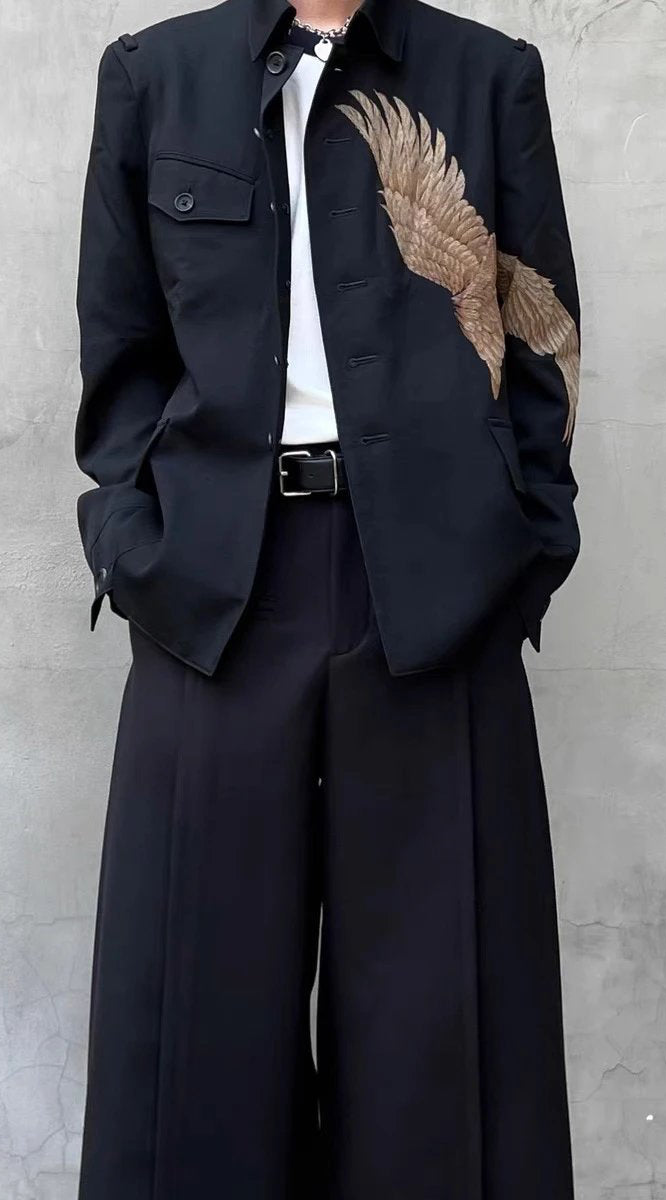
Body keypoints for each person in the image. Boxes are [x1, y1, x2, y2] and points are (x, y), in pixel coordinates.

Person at [73, 0, 582, 1193]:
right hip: (215, 591)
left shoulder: (488, 77)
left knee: (440, 1028)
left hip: (434, 592)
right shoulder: (156, 76)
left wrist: (520, 547)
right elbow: (122, 353)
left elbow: (540, 339)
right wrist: (138, 547)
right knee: (196, 1025)